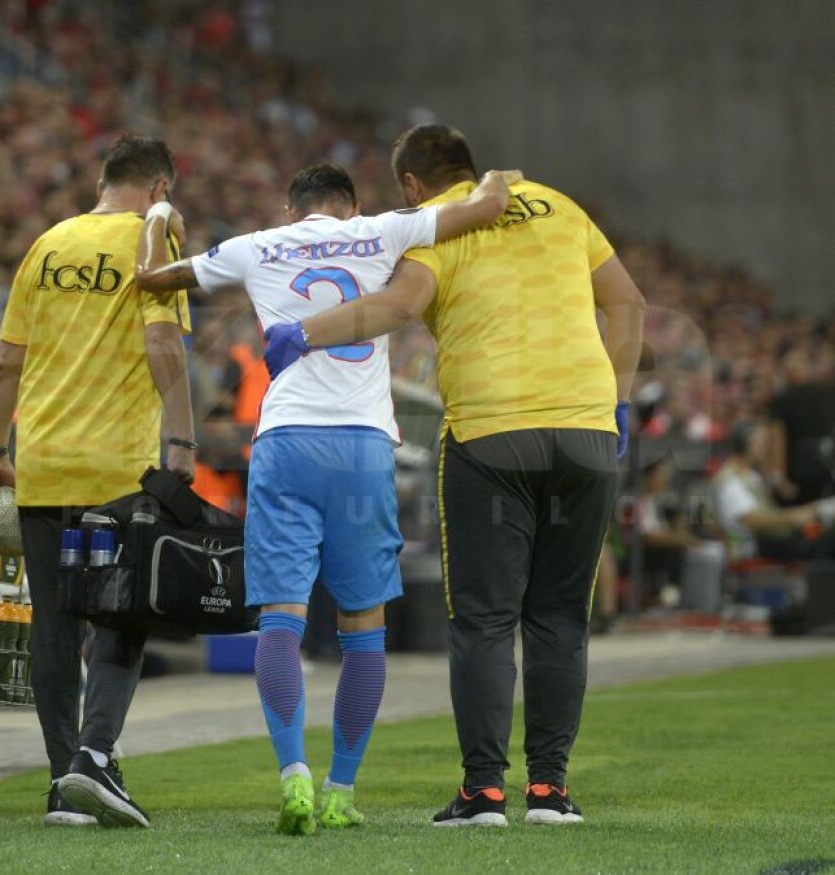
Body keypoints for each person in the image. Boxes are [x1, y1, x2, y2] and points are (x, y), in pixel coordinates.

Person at [265, 124, 647, 827]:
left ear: (412, 186)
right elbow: (628, 303)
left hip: (491, 433)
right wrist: (617, 400)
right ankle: (550, 792)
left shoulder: (436, 227)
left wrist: (305, 332)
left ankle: (485, 792)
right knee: (561, 616)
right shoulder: (561, 207)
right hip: (587, 432)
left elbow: (398, 306)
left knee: (485, 619)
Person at [136, 163, 513, 833]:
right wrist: (495, 178)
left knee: (280, 619)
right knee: (363, 627)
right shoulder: (384, 230)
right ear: (351, 205)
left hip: (284, 441)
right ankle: (341, 788)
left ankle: (294, 777)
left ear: (291, 209)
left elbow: (152, 278)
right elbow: (488, 206)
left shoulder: (256, 246)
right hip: (363, 446)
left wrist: (158, 217)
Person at [0, 134, 194, 830]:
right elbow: (163, 340)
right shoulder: (154, 237)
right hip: (116, 471)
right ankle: (94, 758)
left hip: (42, 464)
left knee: (55, 625)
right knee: (122, 616)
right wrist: (183, 439)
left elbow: (6, 361)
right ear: (159, 187)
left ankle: (60, 780)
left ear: (103, 181)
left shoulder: (47, 244)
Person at [714, 423, 835, 563]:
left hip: (768, 540)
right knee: (825, 546)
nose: (765, 449)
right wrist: (793, 517)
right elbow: (752, 520)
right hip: (752, 548)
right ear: (743, 445)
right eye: (760, 443)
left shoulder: (751, 475)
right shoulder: (731, 482)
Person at [766, 347, 835, 505]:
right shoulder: (829, 394)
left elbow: (777, 440)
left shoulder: (782, 399)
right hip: (827, 469)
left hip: (801, 475)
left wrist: (777, 478)